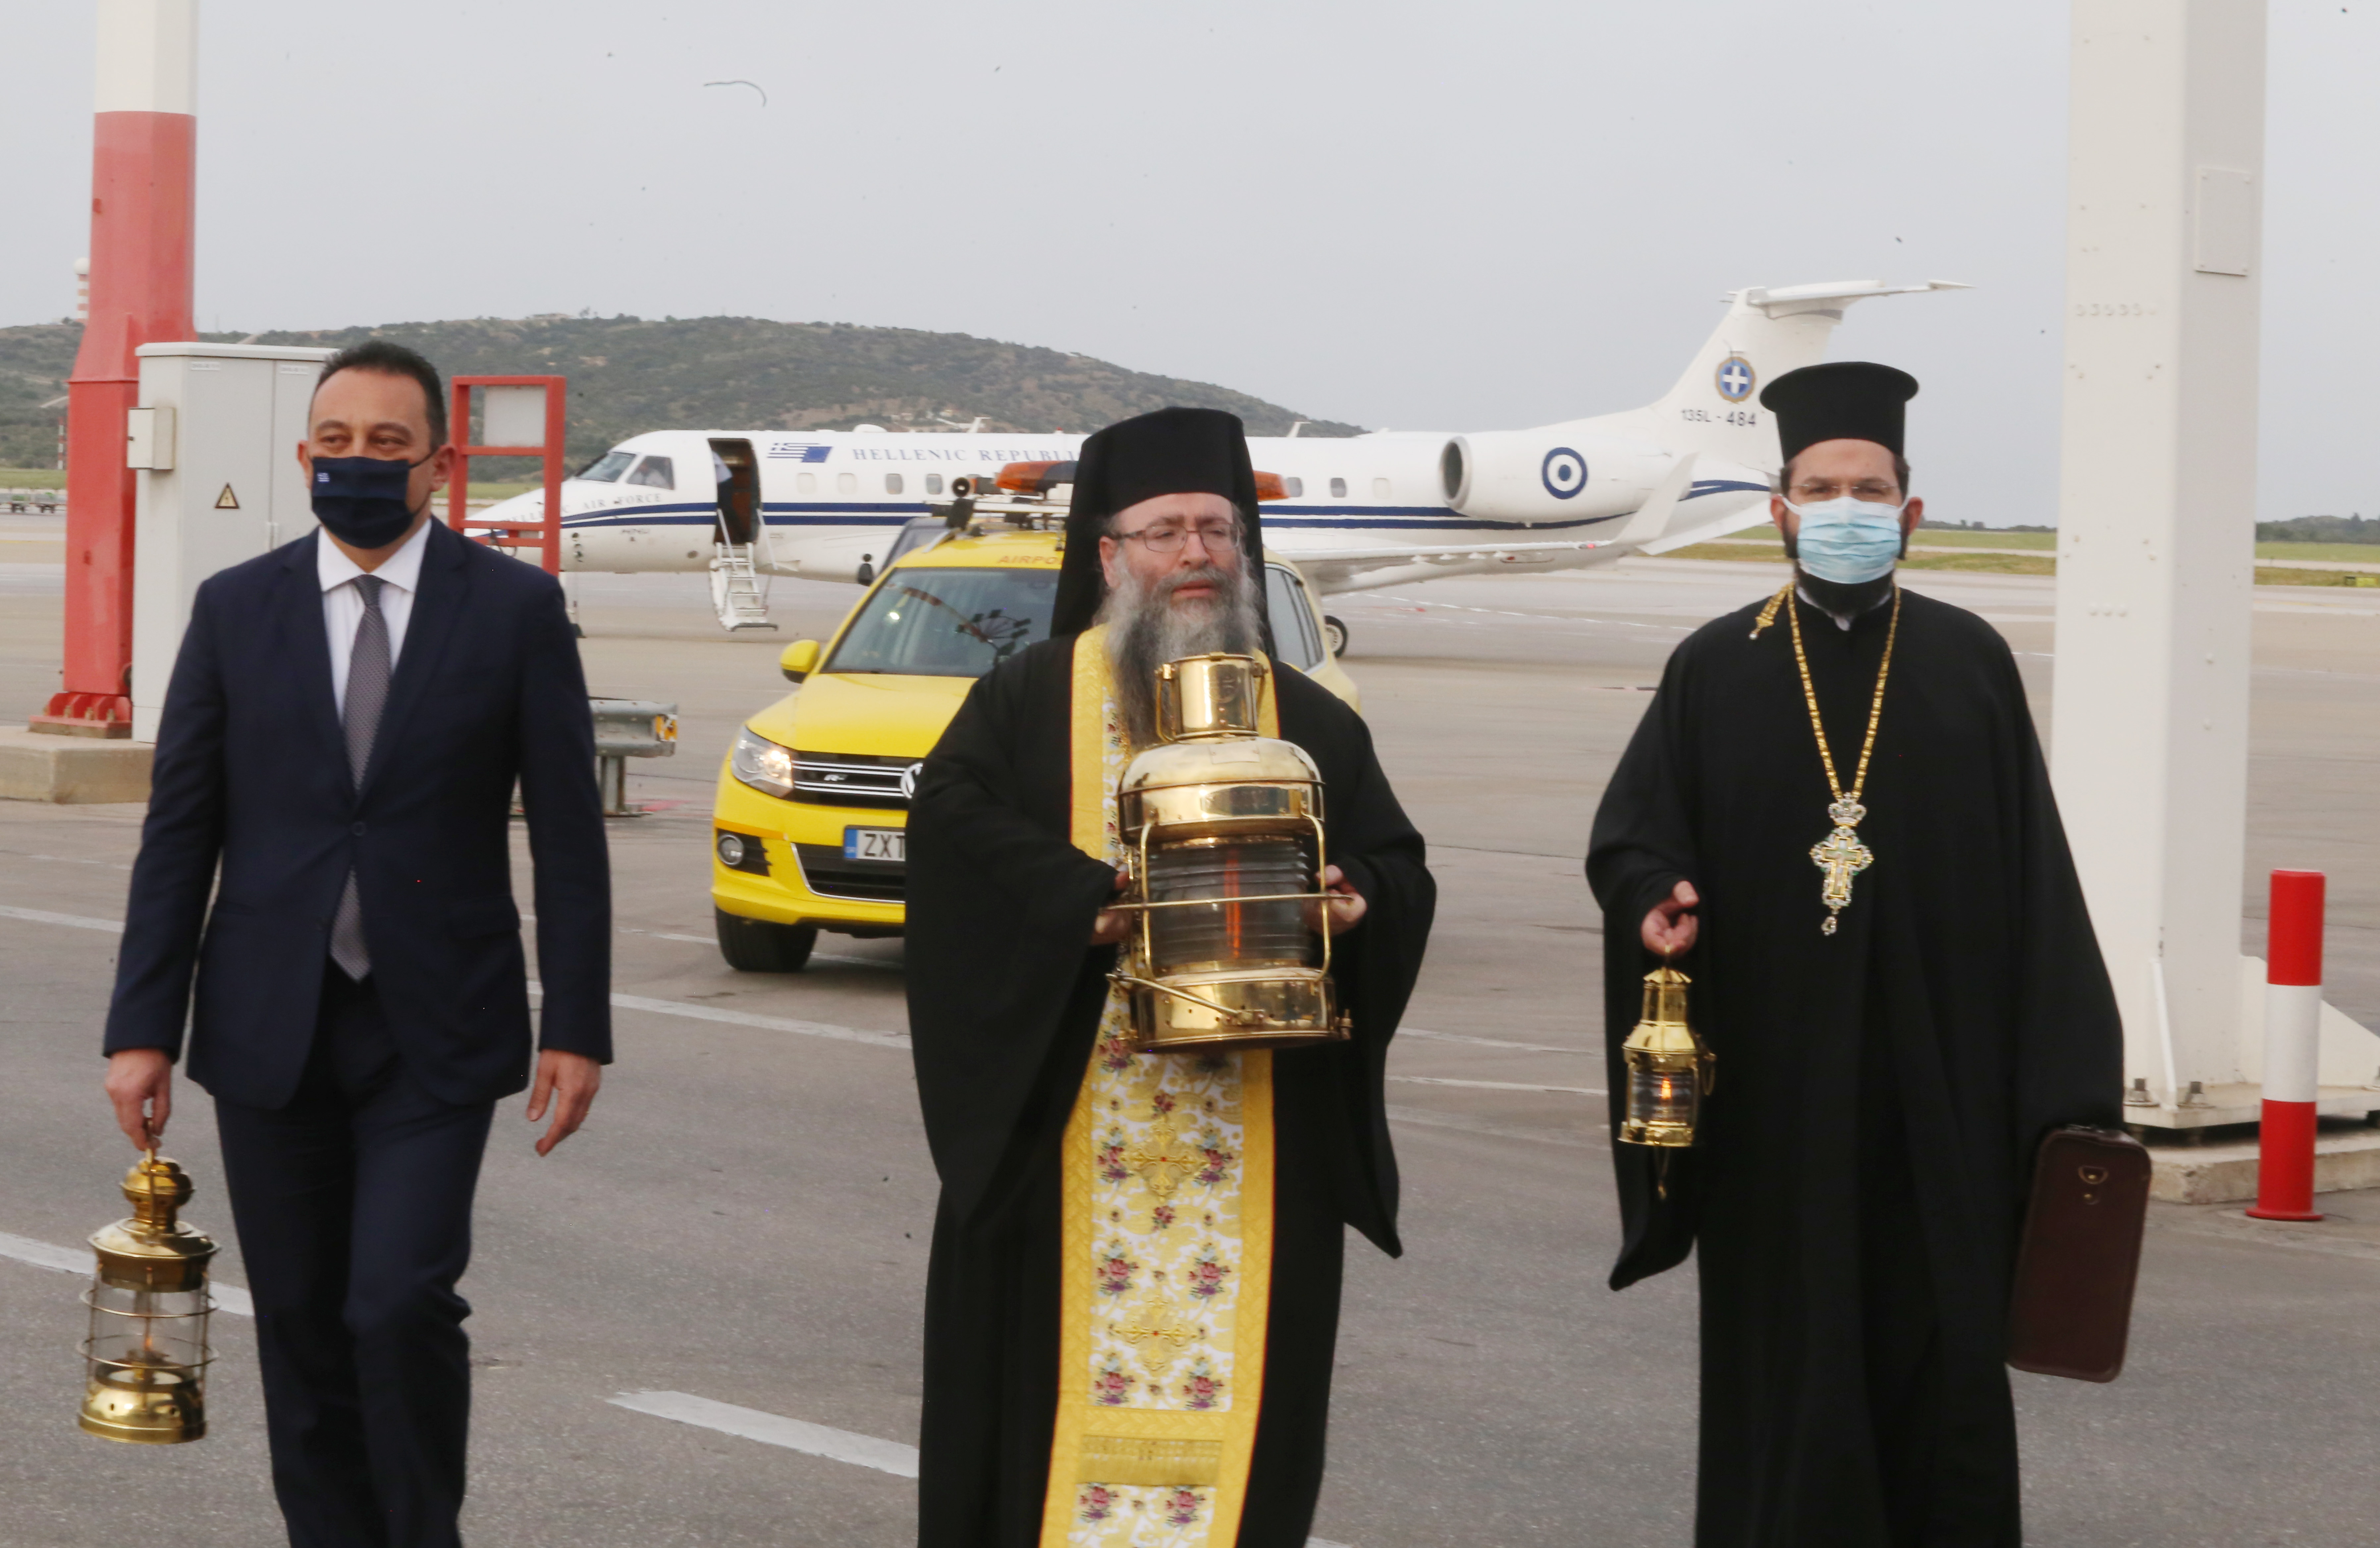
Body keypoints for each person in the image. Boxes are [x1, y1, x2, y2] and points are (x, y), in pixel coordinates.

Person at [1585, 361, 2123, 1547]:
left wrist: (2070, 1090)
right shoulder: (1715, 665)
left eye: (1869, 491)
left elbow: (2037, 876)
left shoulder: (1968, 660)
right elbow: (1633, 836)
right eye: (1821, 490)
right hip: (1774, 1095)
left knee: (1938, 1358)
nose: (1845, 511)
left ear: (1910, 511)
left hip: (1943, 1092)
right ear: (1780, 511)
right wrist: (1653, 897)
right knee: (1786, 1358)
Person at [101, 340, 612, 1548]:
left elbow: (570, 835)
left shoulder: (516, 610)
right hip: (267, 1020)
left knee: (397, 1303)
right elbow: (181, 833)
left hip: (436, 1023)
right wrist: (142, 1029)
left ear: (440, 464)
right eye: (336, 442)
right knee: (299, 1321)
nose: (360, 462)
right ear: (303, 456)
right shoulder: (237, 609)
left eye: (389, 444)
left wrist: (577, 1025)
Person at [904, 407, 1435, 1547]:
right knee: (1034, 1435)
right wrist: (1077, 900)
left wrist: (1360, 902)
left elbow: (1397, 864)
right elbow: (949, 827)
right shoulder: (1031, 697)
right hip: (1065, 1136)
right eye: (1164, 532)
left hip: (1260, 1145)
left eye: (1216, 529)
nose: (1195, 553)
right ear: (1109, 557)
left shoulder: (1311, 718)